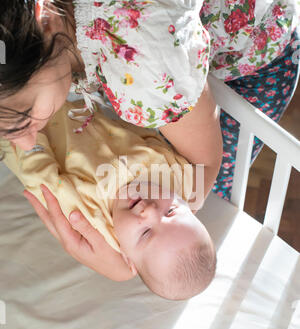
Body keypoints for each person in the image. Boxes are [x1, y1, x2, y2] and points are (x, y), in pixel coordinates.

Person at [0, 0, 299, 276]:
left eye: (25, 117)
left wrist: (125, 263)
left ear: (45, 20)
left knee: (211, 199)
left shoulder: (143, 58)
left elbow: (202, 171)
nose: (27, 141)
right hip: (178, 30)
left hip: (262, 41)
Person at [2, 99, 216, 300]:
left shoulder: (94, 220)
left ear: (127, 259)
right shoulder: (177, 180)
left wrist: (30, 127)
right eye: (171, 212)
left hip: (28, 124)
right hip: (80, 103)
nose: (149, 210)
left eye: (146, 233)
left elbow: (41, 178)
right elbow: (149, 135)